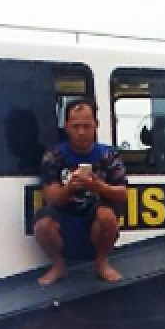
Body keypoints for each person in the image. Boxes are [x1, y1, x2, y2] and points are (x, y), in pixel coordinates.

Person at [32, 98, 127, 285]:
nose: (81, 132)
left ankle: (101, 263)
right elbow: (51, 200)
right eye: (76, 126)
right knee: (42, 225)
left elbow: (122, 194)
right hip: (64, 215)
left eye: (86, 125)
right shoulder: (54, 155)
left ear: (96, 125)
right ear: (66, 127)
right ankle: (58, 265)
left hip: (95, 216)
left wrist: (97, 186)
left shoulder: (109, 154)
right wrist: (70, 188)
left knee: (108, 216)